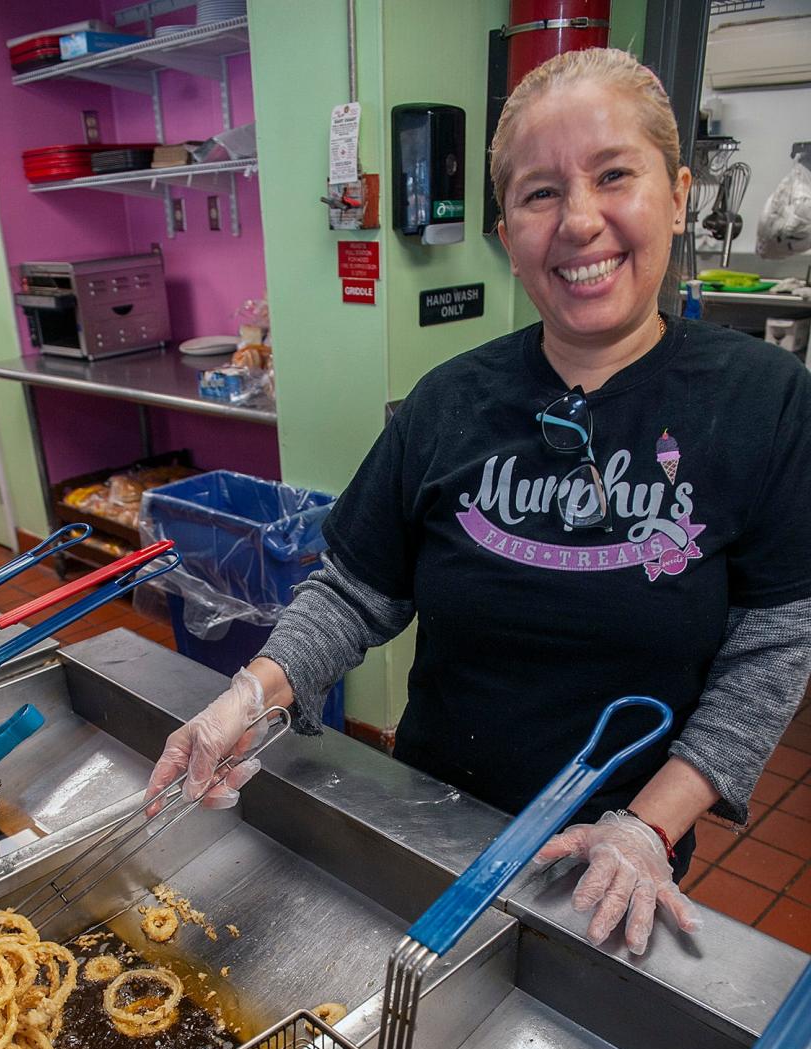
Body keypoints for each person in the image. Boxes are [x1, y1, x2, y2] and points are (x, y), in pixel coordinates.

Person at [147, 48, 811, 956]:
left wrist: (647, 827)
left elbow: (772, 648)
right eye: (540, 194)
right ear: (505, 227)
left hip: (619, 866)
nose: (580, 221)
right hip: (429, 820)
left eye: (615, 174)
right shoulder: (449, 401)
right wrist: (252, 697)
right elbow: (357, 589)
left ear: (679, 191)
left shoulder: (765, 401)